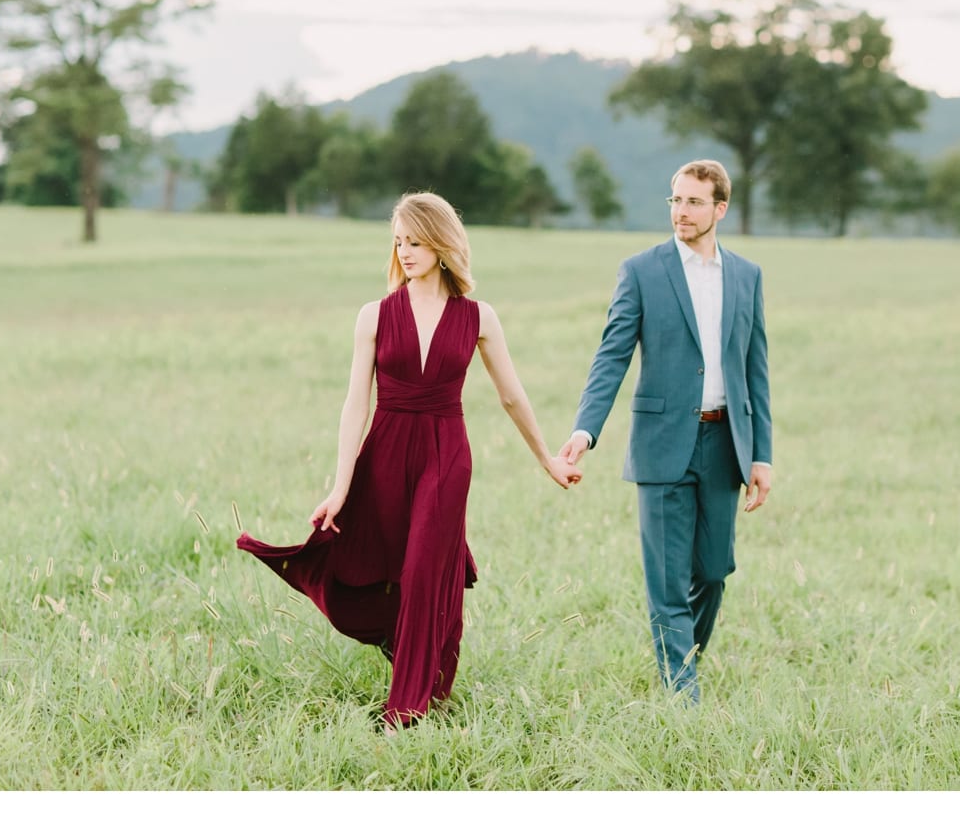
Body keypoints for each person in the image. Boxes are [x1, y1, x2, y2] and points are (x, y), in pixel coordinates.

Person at [238, 191, 581, 729]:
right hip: (385, 450)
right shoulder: (373, 316)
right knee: (381, 568)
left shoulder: (478, 316)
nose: (406, 252)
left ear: (443, 244)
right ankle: (411, 655)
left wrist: (547, 460)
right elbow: (357, 403)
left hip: (446, 454)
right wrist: (341, 485)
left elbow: (511, 395)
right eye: (399, 242)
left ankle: (408, 706)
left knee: (425, 570)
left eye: (416, 242)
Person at [559, 159, 772, 702]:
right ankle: (683, 695)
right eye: (675, 200)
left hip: (725, 445)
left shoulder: (746, 276)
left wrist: (761, 456)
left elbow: (755, 371)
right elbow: (611, 357)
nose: (681, 211)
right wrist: (585, 431)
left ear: (720, 209)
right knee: (667, 582)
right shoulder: (641, 271)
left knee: (714, 571)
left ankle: (684, 659)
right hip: (659, 446)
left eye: (694, 202)